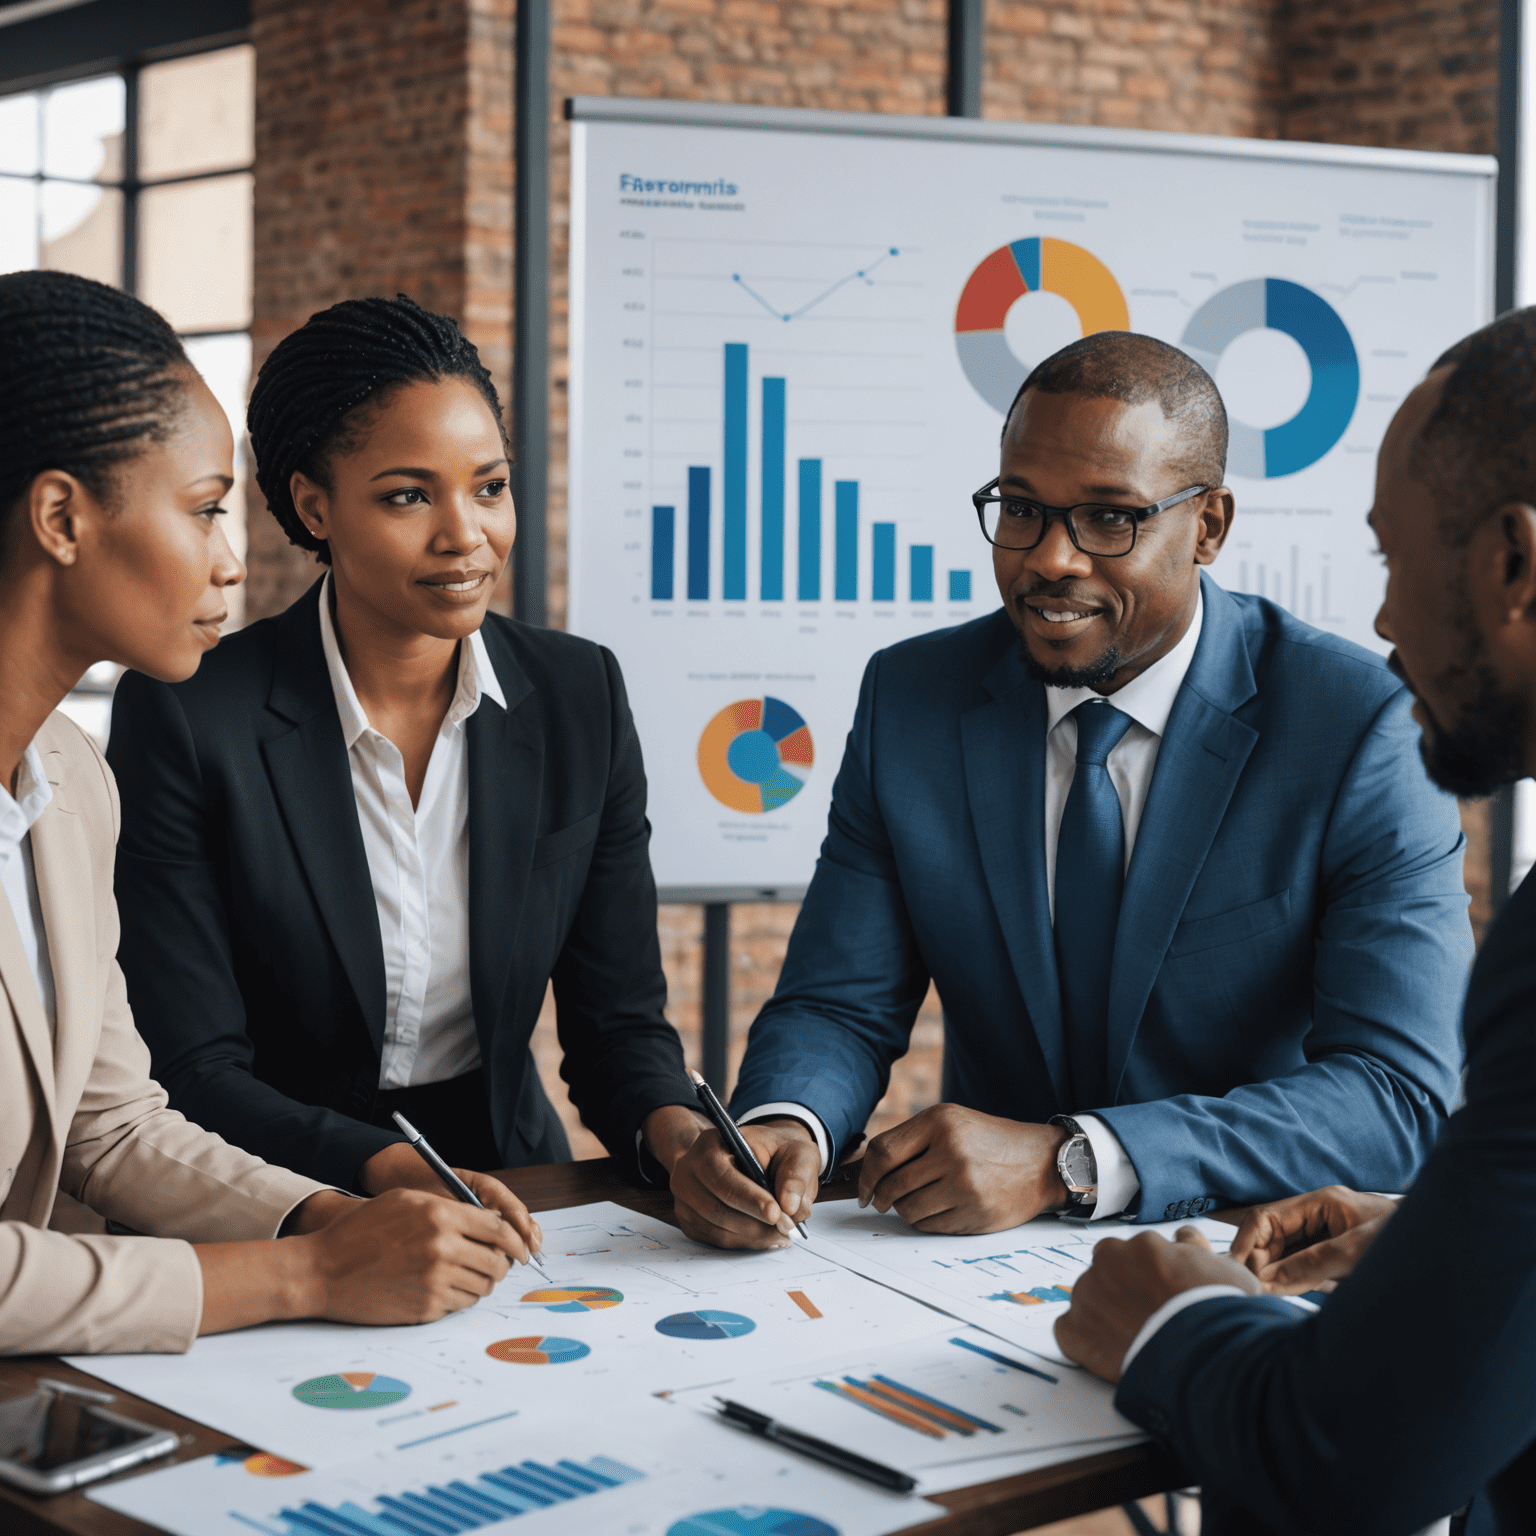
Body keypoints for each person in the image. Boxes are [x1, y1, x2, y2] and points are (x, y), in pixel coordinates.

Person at [669, 331, 1473, 1251]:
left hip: (1238, 1253)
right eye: (1022, 508)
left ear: (1208, 525)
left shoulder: (1357, 728)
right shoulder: (912, 701)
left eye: (1109, 518)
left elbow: (1399, 1094)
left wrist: (1073, 1160)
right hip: (965, 1273)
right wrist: (785, 1124)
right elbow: (838, 1002)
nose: (1051, 558)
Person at [1055, 311, 1536, 1536]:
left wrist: (1174, 1313)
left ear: (1516, 563)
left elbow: (1353, 1459)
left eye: (1394, 559)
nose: (1385, 624)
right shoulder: (918, 696)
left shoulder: (1347, 723)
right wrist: (1437, 1242)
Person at [0, 270, 528, 1355]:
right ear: (61, 518)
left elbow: (112, 1124)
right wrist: (304, 1271)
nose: (235, 560)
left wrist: (334, 1216)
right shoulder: (164, 739)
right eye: (202, 511)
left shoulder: (66, 783)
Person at [106, 295, 720, 1224]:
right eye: (407, 495)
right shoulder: (191, 715)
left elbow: (618, 1025)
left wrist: (682, 1140)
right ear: (314, 505)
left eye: (489, 485)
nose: (464, 534)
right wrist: (386, 1169)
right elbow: (193, 1067)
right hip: (271, 1194)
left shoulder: (576, 695)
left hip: (515, 1191)